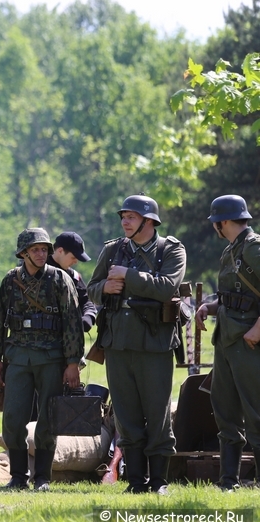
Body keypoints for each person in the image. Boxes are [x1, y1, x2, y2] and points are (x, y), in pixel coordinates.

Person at [87, 194, 186, 494]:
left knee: (157, 414)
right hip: (118, 344)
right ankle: (135, 482)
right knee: (126, 415)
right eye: (123, 217)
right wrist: (104, 286)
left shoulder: (171, 249)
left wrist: (127, 275)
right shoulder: (113, 249)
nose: (124, 222)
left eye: (131, 216)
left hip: (155, 346)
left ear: (149, 220)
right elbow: (91, 291)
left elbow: (167, 287)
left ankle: (159, 481)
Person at [0, 228, 83, 491]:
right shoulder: (10, 281)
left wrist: (73, 362)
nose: (41, 254)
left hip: (51, 359)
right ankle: (18, 477)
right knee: (13, 420)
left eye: (44, 249)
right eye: (35, 250)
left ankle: (42, 477)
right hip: (17, 358)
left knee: (48, 420)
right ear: (23, 253)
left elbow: (72, 322)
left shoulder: (60, 280)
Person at [195, 195, 260, 491]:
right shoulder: (230, 251)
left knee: (256, 412)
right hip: (226, 339)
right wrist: (209, 307)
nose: (214, 228)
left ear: (223, 222)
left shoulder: (254, 248)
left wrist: (258, 329)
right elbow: (232, 293)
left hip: (249, 342)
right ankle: (228, 481)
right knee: (225, 411)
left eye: (215, 223)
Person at [49, 232, 97, 333]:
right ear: (60, 251)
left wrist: (88, 317)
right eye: (73, 257)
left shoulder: (73, 276)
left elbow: (86, 301)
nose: (76, 262)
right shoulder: (36, 271)